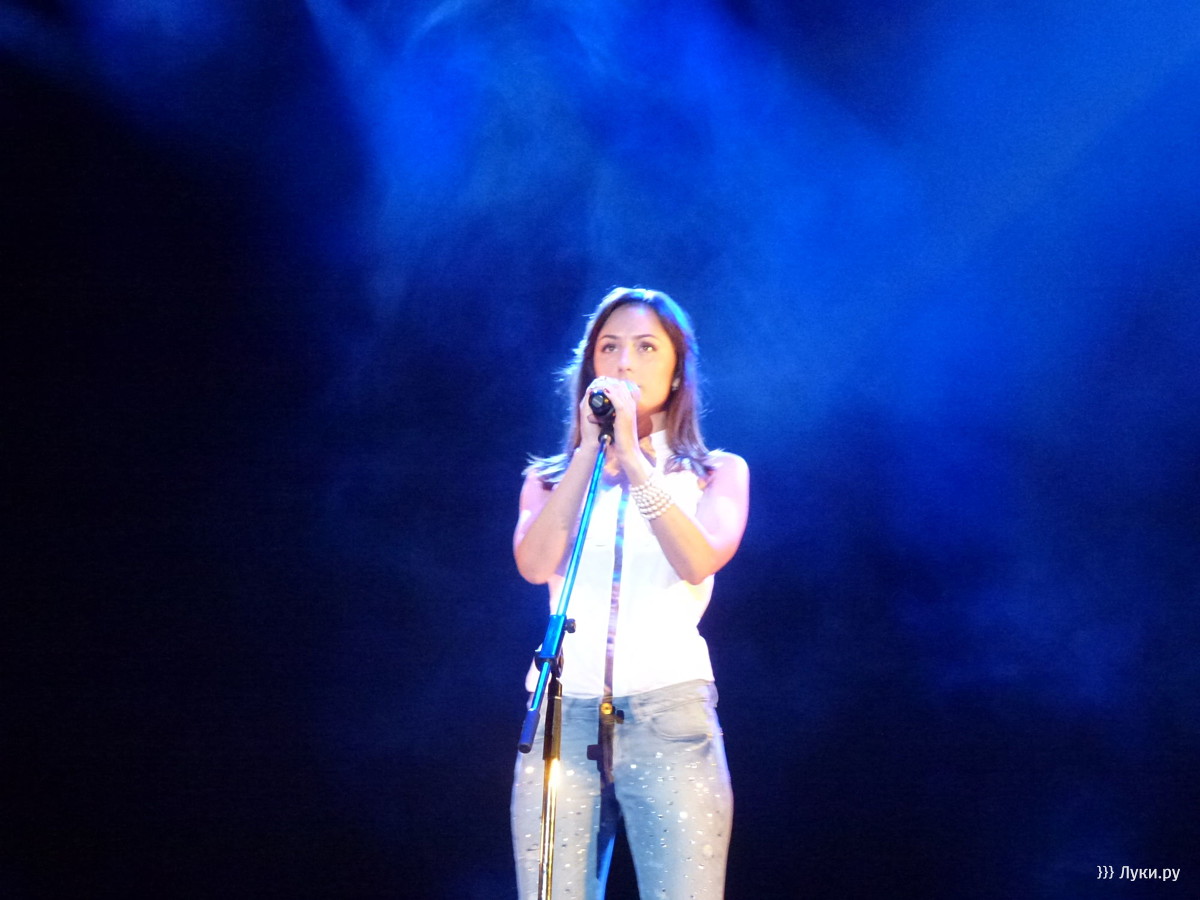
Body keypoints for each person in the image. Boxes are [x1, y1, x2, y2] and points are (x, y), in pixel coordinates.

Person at [510, 287, 750, 899]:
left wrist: (637, 463)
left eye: (645, 348)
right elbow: (535, 565)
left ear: (676, 372)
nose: (623, 362)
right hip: (564, 718)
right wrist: (588, 455)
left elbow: (697, 559)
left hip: (670, 719)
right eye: (609, 347)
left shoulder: (715, 474)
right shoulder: (547, 480)